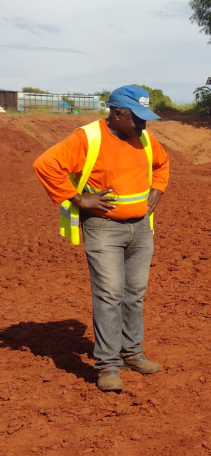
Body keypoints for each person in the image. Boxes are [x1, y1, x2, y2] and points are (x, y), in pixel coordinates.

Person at [34, 85, 170, 393]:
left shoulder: (145, 139)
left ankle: (132, 353)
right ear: (118, 113)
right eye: (138, 119)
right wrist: (80, 200)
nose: (143, 126)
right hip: (104, 228)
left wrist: (157, 192)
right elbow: (45, 165)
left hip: (141, 229)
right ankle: (108, 365)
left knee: (134, 294)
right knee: (109, 295)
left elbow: (162, 165)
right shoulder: (88, 138)